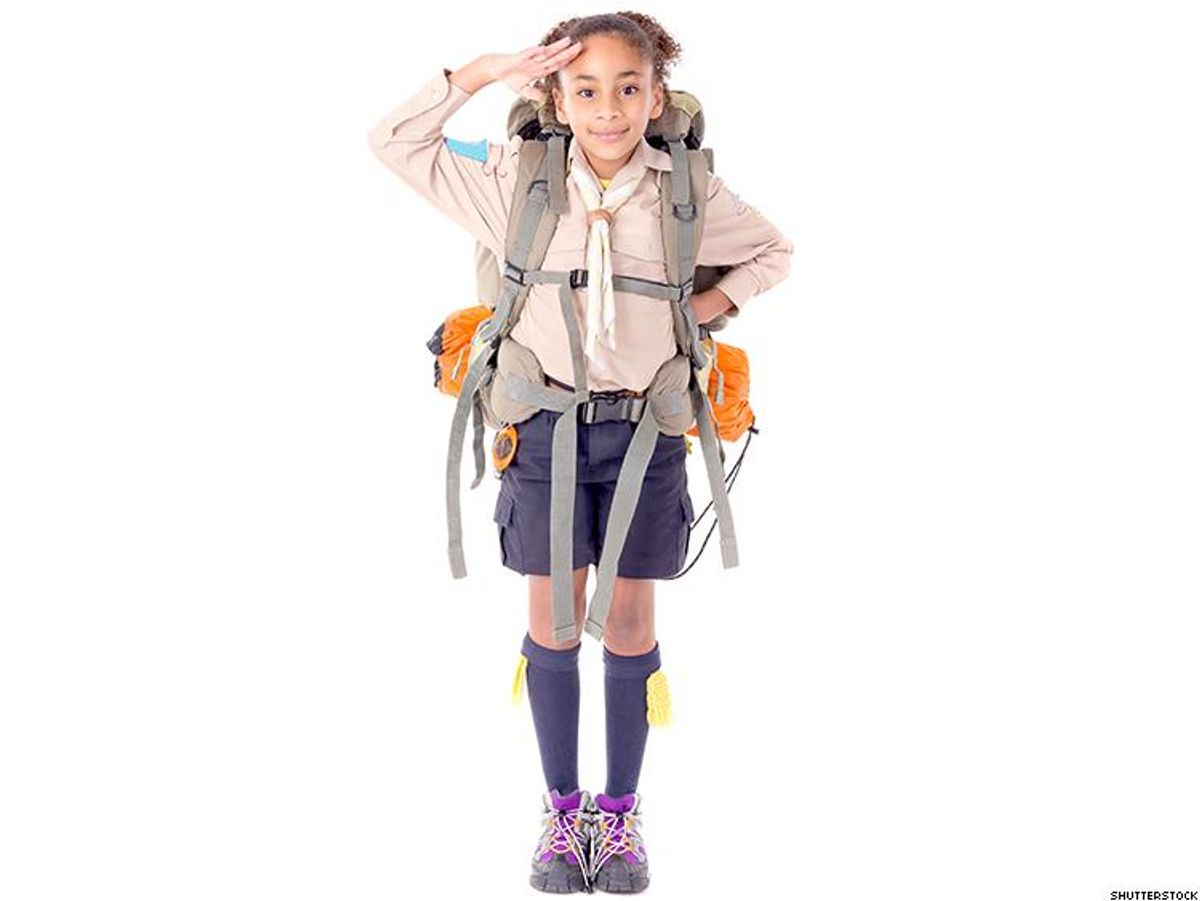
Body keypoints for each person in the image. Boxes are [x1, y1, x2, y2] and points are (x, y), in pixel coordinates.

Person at [367, 11, 792, 893]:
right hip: (544, 433)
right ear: (557, 99)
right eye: (586, 90)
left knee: (631, 624)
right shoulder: (516, 185)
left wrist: (700, 312)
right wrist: (482, 70)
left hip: (646, 435)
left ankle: (620, 813)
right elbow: (394, 142)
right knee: (554, 621)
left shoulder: (684, 194)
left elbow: (772, 252)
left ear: (657, 97)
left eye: (628, 89)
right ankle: (562, 810)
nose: (608, 110)